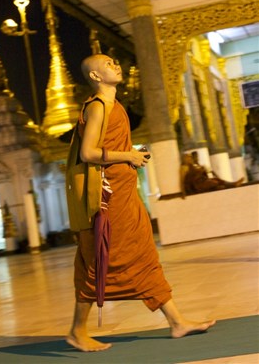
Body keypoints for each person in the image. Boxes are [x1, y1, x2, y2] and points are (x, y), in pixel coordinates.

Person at [66, 54, 216, 352]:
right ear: (95, 77)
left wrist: (130, 155)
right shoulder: (98, 106)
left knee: (143, 255)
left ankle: (177, 322)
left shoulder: (116, 106)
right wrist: (129, 156)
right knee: (101, 258)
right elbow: (88, 153)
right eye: (108, 64)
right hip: (107, 199)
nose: (116, 65)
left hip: (125, 193)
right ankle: (77, 330)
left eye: (115, 61)